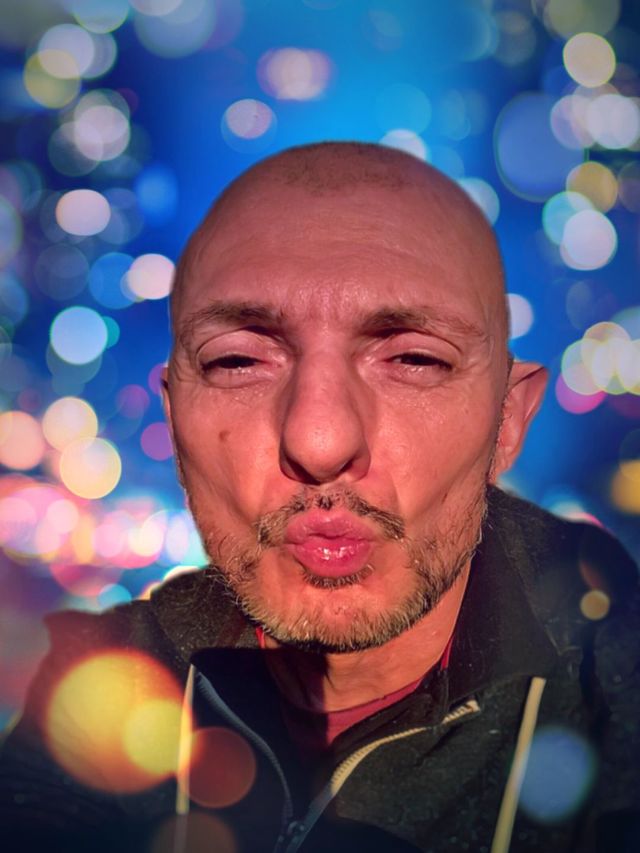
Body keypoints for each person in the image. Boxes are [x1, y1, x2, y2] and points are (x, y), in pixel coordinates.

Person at [1, 142, 638, 853]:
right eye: (237, 360)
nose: (319, 440)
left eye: (414, 359)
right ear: (176, 417)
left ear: (508, 421)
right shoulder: (100, 672)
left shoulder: (613, 688)